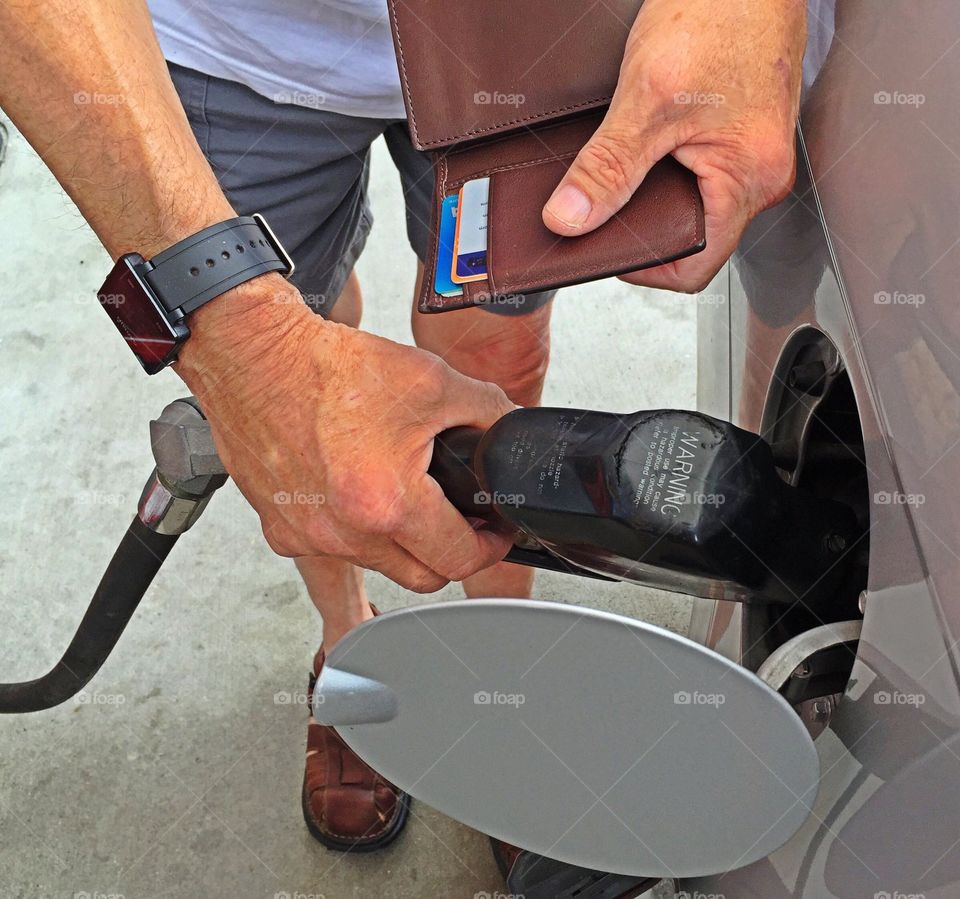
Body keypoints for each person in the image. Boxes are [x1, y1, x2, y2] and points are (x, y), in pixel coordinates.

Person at [0, 0, 806, 855]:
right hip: (233, 42)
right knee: (300, 381)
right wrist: (256, 354)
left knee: (493, 358)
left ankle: (505, 663)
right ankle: (349, 642)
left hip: (523, 36)